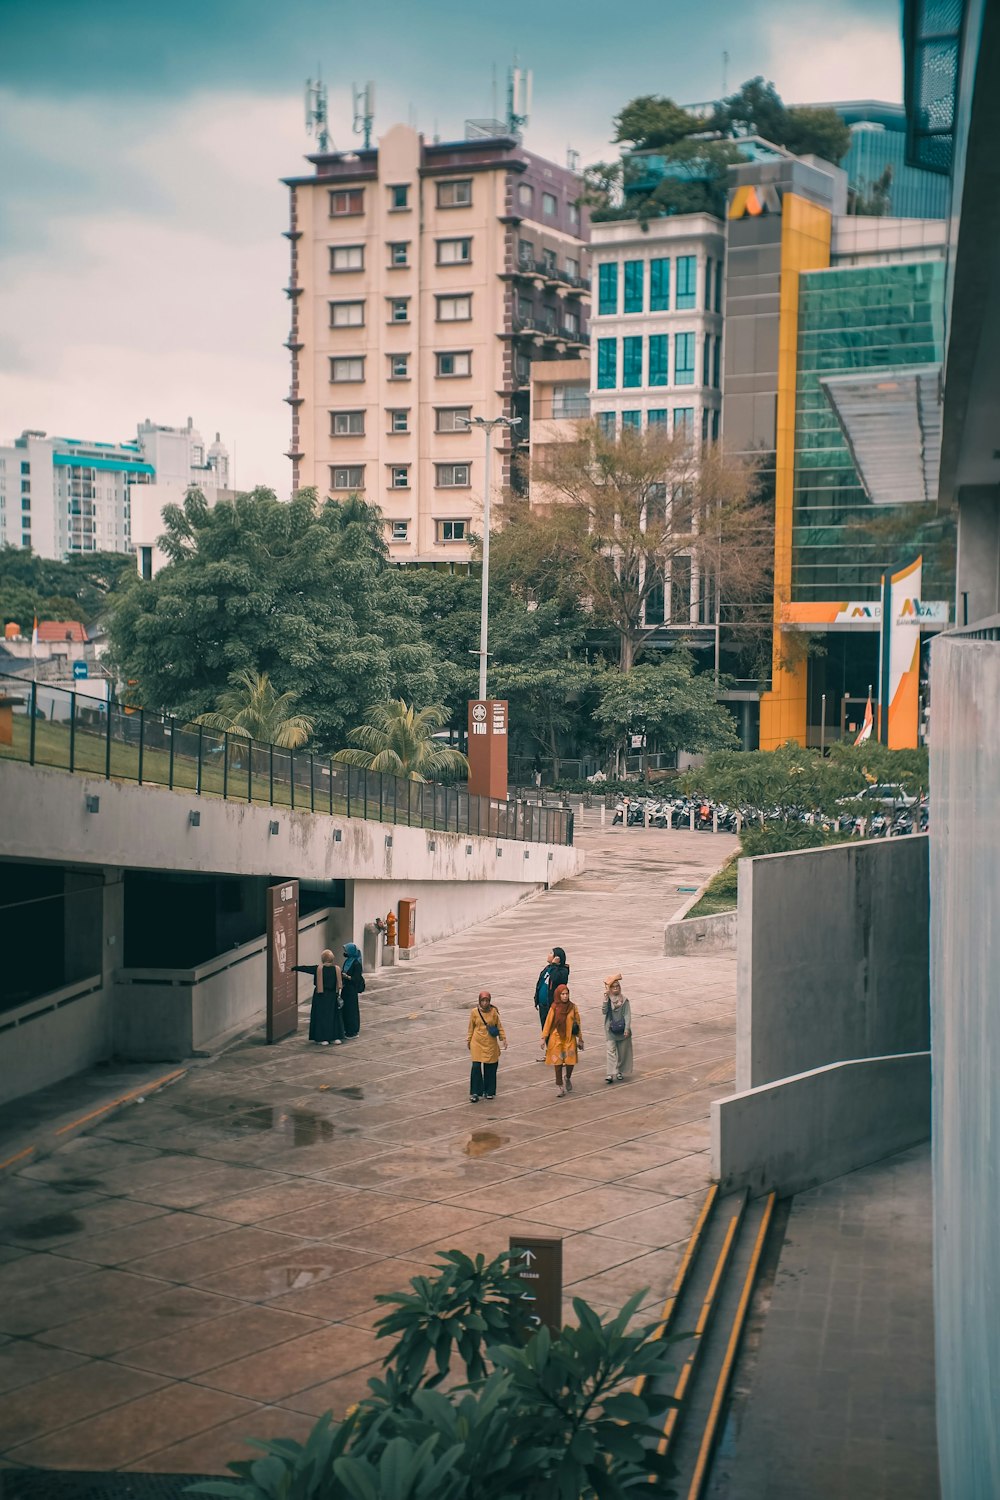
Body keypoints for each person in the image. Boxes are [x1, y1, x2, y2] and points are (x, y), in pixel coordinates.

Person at [293, 950, 345, 1045]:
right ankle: (335, 1037)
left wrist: (294, 968)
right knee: (334, 1016)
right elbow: (342, 980)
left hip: (321, 996)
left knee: (321, 1016)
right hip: (333, 995)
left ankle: (322, 1038)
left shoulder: (318, 969)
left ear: (322, 959)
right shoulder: (337, 969)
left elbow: (306, 968)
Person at [540, 982, 583, 1097]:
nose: (565, 996)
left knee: (570, 1061)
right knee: (557, 1063)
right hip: (557, 1038)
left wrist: (580, 1039)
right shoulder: (554, 1008)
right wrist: (543, 1038)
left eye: (567, 994)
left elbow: (577, 1023)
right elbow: (548, 1023)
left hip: (569, 1038)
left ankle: (567, 1077)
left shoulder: (573, 1007)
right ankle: (559, 1086)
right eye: (563, 994)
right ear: (558, 995)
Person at [467, 990, 507, 1103]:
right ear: (479, 1001)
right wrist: (469, 1040)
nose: (485, 1003)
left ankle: (489, 1091)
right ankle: (475, 1092)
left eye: (487, 1000)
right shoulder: (474, 1012)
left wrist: (503, 1038)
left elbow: (499, 1026)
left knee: (490, 1067)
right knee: (476, 1067)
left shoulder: (493, 1012)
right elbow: (471, 1027)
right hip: (477, 1043)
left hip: (490, 1044)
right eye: (483, 1000)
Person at [602, 972, 634, 1084]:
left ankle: (619, 1071)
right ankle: (610, 1073)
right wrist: (605, 999)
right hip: (610, 1029)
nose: (615, 989)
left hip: (622, 1029)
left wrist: (627, 1029)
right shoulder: (608, 999)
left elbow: (627, 1015)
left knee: (622, 1051)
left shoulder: (624, 1000)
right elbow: (604, 1011)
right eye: (613, 987)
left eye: (617, 986)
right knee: (611, 1050)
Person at [533, 946, 569, 1042]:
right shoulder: (548, 968)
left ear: (556, 957)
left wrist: (554, 965)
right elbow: (540, 983)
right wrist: (536, 999)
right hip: (543, 1005)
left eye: (550, 953)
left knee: (553, 1031)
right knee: (545, 1030)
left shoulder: (562, 971)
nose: (548, 955)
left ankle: (554, 1054)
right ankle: (548, 1053)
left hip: (553, 1006)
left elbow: (555, 978)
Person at [340, 942, 365, 1038]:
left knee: (351, 1010)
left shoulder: (356, 964)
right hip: (345, 989)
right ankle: (346, 1029)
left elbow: (356, 978)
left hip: (352, 990)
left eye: (346, 951)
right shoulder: (347, 961)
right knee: (345, 1009)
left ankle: (352, 1031)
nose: (345, 952)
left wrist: (348, 977)